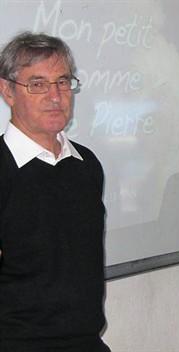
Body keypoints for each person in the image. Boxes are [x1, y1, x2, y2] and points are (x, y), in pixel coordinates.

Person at [0, 32, 110, 351]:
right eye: (37, 84)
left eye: (62, 82)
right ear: (7, 90)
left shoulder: (86, 164)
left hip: (87, 341)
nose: (55, 96)